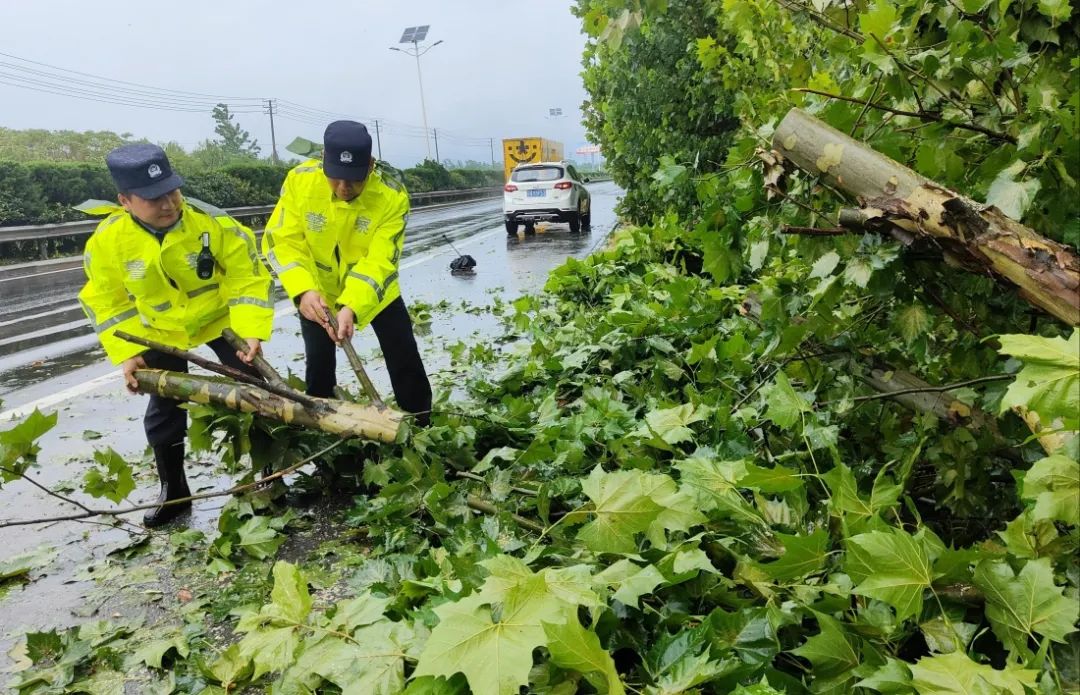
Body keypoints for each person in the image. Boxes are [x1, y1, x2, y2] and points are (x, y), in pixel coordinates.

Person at [78, 143, 274, 526]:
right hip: (159, 330)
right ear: (125, 201)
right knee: (164, 407)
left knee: (256, 388)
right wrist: (127, 353)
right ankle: (175, 492)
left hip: (221, 320)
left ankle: (269, 473)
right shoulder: (108, 241)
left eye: (172, 191)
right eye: (153, 198)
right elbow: (106, 300)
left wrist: (250, 332)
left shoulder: (211, 224)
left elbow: (246, 275)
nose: (168, 203)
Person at [261, 121, 431, 424]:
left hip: (374, 292)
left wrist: (351, 305)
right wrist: (303, 291)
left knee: (404, 357)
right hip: (317, 292)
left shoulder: (392, 196)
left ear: (370, 166)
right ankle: (321, 432)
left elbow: (379, 261)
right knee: (319, 365)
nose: (343, 188)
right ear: (323, 162)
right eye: (335, 178)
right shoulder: (300, 182)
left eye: (354, 180)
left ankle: (422, 426)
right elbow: (282, 241)